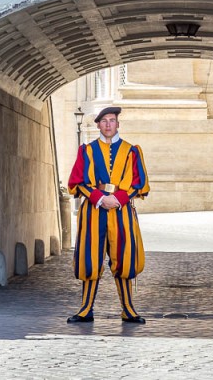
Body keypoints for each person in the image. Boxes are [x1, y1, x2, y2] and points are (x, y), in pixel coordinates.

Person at [66, 105, 150, 324]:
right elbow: (78, 182)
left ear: (118, 124)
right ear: (98, 125)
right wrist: (101, 198)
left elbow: (138, 182)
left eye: (112, 121)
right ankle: (85, 309)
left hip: (121, 213)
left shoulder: (132, 151)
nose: (108, 125)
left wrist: (118, 199)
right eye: (104, 121)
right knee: (90, 260)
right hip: (93, 212)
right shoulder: (87, 150)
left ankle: (128, 309)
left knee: (124, 259)